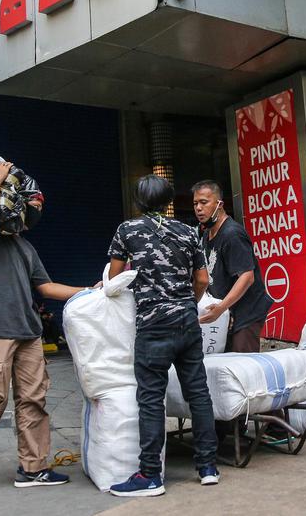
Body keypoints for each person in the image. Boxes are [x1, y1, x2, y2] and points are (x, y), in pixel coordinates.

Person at [0, 159, 80, 491]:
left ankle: (33, 468)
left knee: (33, 400)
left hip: (29, 333)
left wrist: (89, 290)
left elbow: (46, 288)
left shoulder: (25, 247)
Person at [108, 175, 218, 497]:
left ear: (139, 201)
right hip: (187, 321)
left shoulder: (127, 230)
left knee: (151, 399)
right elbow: (202, 278)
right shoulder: (187, 232)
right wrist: (188, 305)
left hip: (153, 326)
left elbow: (116, 278)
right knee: (198, 393)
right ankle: (208, 467)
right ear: (169, 201)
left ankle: (151, 475)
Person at [191, 180, 271, 353]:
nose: (198, 208)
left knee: (244, 366)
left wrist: (222, 308)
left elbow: (247, 276)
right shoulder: (206, 234)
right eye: (196, 203)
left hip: (246, 312)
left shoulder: (232, 234)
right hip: (226, 313)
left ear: (219, 204)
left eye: (204, 202)